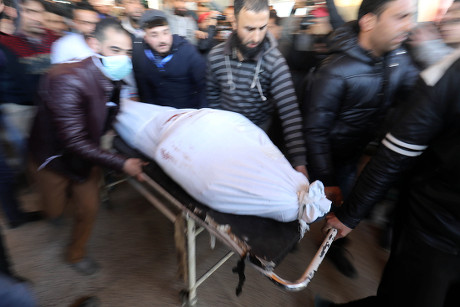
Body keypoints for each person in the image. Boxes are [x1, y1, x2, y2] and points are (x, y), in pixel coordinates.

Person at [320, 43, 460, 307]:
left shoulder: (405, 62)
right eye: (400, 16)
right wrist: (351, 213)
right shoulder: (451, 73)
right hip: (435, 229)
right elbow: (396, 152)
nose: (406, 27)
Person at [303, 0, 419, 278]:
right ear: (368, 22)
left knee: (340, 211)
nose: (410, 25)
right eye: (400, 17)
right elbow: (315, 130)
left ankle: (332, 249)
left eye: (411, 16)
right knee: (299, 207)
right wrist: (325, 177)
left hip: (350, 156)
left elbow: (423, 96)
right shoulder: (335, 69)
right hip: (318, 158)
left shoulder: (399, 58)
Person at [28, 18, 146, 275]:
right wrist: (121, 162)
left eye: (127, 52)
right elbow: (72, 140)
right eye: (115, 50)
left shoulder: (113, 79)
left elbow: (105, 116)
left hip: (84, 157)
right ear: (94, 44)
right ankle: (57, 205)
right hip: (54, 159)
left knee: (89, 207)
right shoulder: (66, 79)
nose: (123, 58)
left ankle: (76, 253)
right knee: (54, 210)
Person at [206, 0, 308, 177]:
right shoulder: (216, 57)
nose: (256, 37)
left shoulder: (274, 61)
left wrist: (299, 163)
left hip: (260, 132)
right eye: (249, 29)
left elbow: (289, 111)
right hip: (227, 130)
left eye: (262, 28)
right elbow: (213, 97)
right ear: (235, 23)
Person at [133, 9, 206, 108]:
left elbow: (204, 87)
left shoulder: (188, 51)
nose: (162, 40)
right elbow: (144, 93)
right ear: (145, 38)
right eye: (154, 35)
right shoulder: (140, 56)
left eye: (165, 32)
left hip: (188, 114)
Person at [408, 0, 460, 69]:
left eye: (456, 20)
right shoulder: (429, 31)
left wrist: (424, 48)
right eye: (447, 12)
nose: (445, 18)